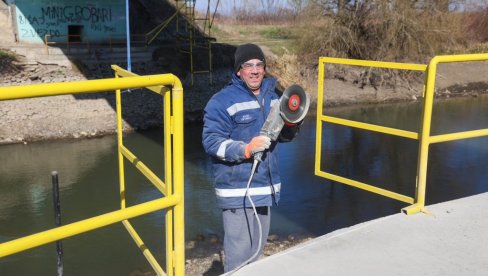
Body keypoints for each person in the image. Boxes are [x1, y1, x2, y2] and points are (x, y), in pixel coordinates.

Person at [202, 43, 301, 272]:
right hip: (237, 192)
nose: (255, 70)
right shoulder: (221, 101)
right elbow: (211, 142)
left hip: (264, 189)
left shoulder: (274, 97)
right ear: (239, 70)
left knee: (257, 255)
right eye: (248, 66)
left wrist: (293, 126)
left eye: (259, 65)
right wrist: (245, 149)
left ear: (264, 68)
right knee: (238, 258)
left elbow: (283, 137)